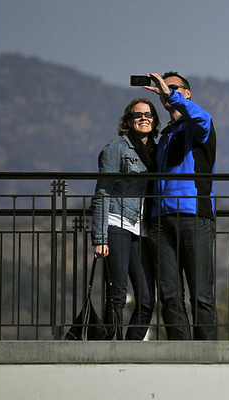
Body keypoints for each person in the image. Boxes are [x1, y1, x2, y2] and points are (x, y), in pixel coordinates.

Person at [142, 72, 217, 340]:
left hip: (193, 216)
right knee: (170, 295)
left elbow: (201, 118)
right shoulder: (165, 135)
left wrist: (169, 94)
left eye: (173, 87)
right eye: (164, 87)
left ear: (187, 93)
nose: (166, 91)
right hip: (160, 221)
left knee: (201, 294)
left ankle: (207, 356)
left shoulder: (198, 126)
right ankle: (181, 353)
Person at [91, 97, 159, 340]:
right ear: (128, 121)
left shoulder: (157, 151)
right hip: (117, 223)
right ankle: (110, 348)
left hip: (142, 230)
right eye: (138, 115)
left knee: (147, 300)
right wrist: (99, 237)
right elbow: (102, 193)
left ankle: (129, 347)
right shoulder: (116, 149)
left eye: (148, 114)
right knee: (117, 294)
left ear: (154, 120)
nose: (144, 118)